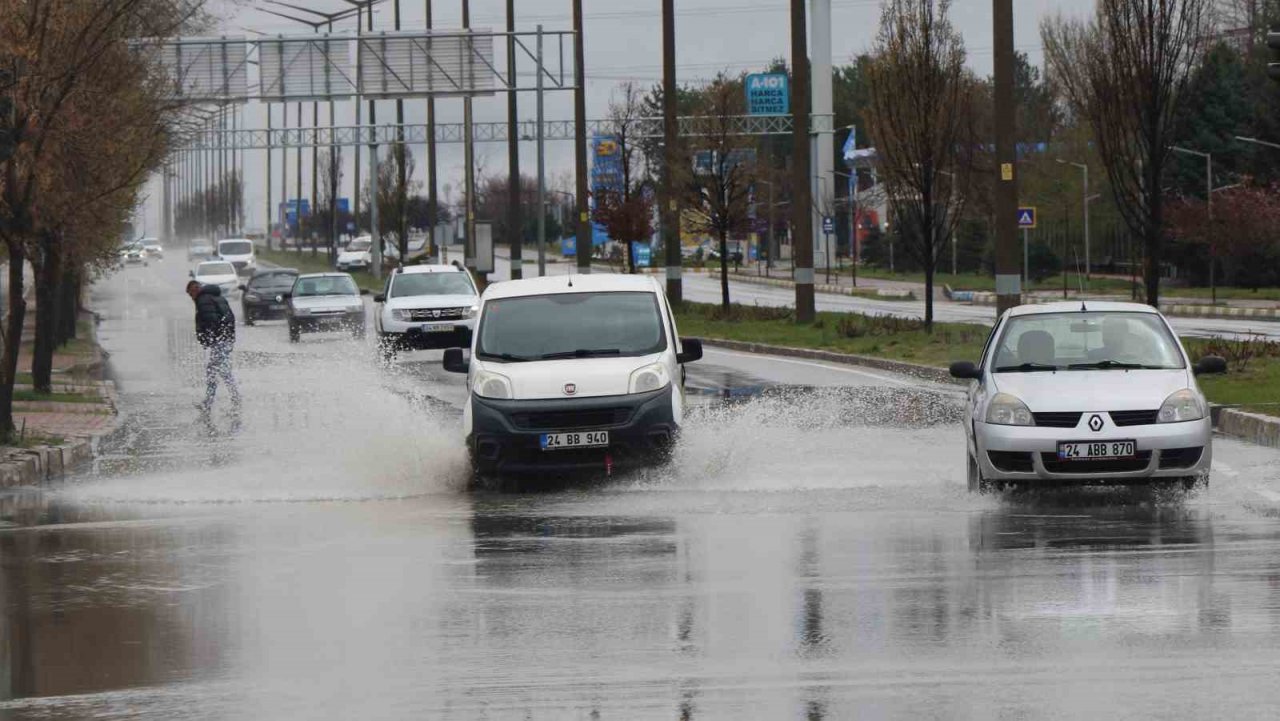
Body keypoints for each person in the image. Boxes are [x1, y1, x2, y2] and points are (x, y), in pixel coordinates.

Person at [186, 280, 241, 413]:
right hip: (226, 339)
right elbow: (227, 318)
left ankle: (210, 403)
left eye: (191, 293)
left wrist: (210, 338)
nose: (191, 297)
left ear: (195, 289)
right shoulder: (216, 296)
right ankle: (231, 399)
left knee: (213, 371)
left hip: (220, 341)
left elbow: (210, 320)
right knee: (222, 370)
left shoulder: (203, 299)